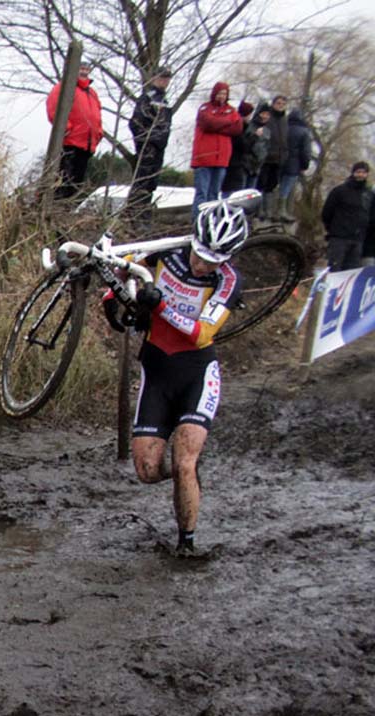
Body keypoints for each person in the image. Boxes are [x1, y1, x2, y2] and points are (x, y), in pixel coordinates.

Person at [126, 201, 249, 556]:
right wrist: (115, 298)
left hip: (196, 372)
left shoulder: (227, 280)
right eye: (198, 254)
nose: (200, 264)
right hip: (157, 369)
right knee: (148, 470)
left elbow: (202, 334)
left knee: (183, 460)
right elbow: (126, 270)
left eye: (211, 260)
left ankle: (187, 543)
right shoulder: (169, 251)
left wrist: (160, 305)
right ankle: (189, 476)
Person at [46, 61, 103, 199]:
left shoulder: (92, 93)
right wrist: (66, 128)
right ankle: (56, 208)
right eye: (81, 69)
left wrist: (99, 133)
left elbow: (97, 114)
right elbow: (54, 108)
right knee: (63, 180)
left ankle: (66, 211)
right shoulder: (64, 87)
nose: (84, 72)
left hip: (87, 144)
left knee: (76, 184)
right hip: (70, 141)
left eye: (86, 69)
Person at [125, 67, 174, 225]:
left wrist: (161, 141)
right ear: (154, 78)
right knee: (142, 182)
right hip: (147, 148)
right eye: (162, 78)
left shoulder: (165, 101)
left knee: (152, 182)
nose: (164, 81)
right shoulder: (147, 98)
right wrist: (149, 141)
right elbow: (136, 123)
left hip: (160, 149)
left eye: (167, 79)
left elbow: (166, 126)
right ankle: (134, 216)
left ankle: (144, 215)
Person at [190, 82, 243, 221]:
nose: (222, 96)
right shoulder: (205, 108)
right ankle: (198, 221)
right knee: (202, 193)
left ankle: (211, 220)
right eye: (220, 93)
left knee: (214, 193)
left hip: (222, 159)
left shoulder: (232, 110)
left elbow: (237, 128)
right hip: (204, 158)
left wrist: (217, 124)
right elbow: (208, 124)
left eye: (225, 94)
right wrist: (226, 122)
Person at [320, 161, 374, 271]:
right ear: (353, 173)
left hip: (358, 241)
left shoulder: (369, 194)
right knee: (334, 270)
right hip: (339, 238)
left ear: (367, 174)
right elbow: (327, 212)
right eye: (358, 172)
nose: (361, 175)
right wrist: (333, 229)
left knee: (351, 273)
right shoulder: (339, 191)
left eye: (363, 172)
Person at [255, 95, 290, 219]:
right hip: (266, 157)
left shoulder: (285, 120)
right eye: (278, 103)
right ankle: (259, 210)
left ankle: (268, 210)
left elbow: (286, 138)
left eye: (283, 104)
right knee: (261, 183)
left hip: (278, 158)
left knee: (271, 185)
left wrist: (285, 154)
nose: (280, 106)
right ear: (273, 104)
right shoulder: (267, 117)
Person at [276, 109, 312, 223]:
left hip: (279, 161)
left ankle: (273, 210)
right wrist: (305, 165)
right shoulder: (304, 132)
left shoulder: (283, 128)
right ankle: (282, 211)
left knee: (277, 186)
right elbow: (306, 151)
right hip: (294, 164)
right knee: (287, 188)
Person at [220, 101, 258, 194]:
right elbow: (244, 146)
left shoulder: (242, 127)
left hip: (236, 162)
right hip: (234, 163)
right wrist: (255, 137)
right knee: (232, 191)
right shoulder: (238, 128)